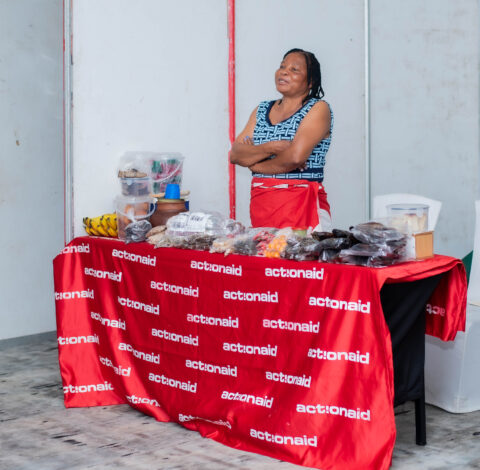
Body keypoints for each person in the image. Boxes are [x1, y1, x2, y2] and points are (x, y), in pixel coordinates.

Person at [230, 48, 333, 231]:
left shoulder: (318, 108)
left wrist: (254, 165)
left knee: (301, 249)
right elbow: (236, 154)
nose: (284, 72)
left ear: (310, 81)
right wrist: (271, 147)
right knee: (266, 248)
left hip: (302, 207)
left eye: (294, 69)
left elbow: (295, 158)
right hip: (263, 206)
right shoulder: (262, 109)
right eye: (282, 66)